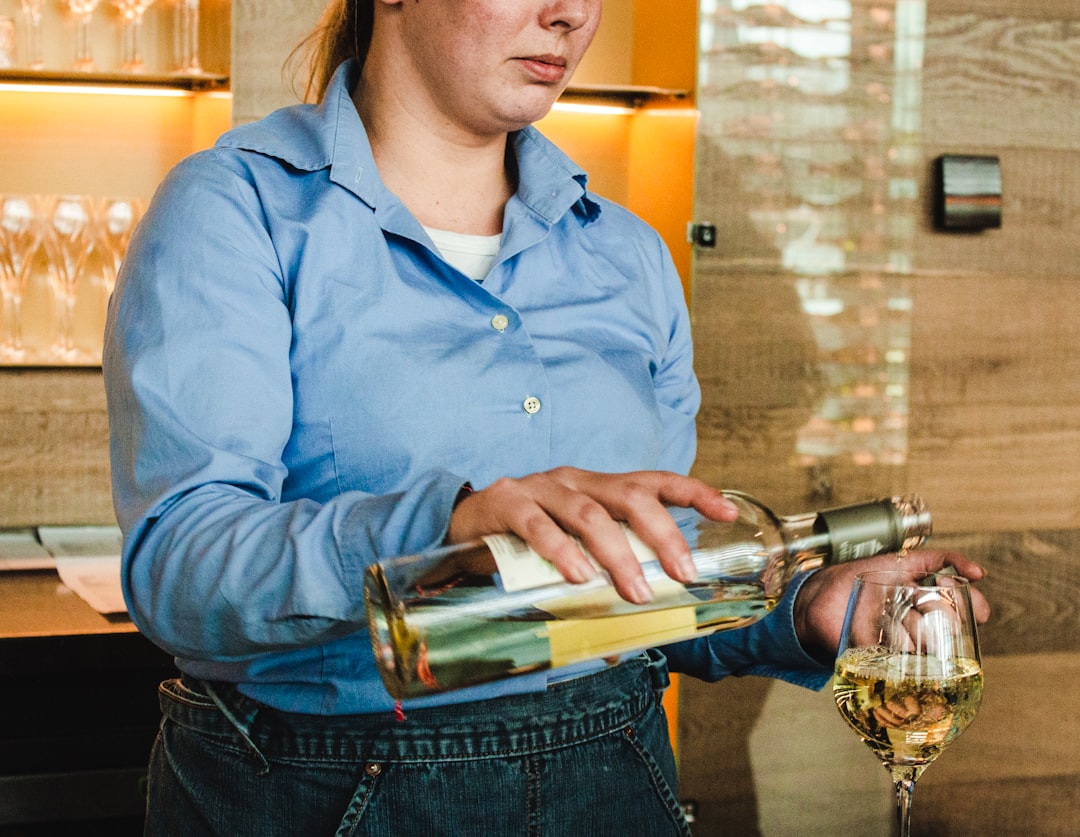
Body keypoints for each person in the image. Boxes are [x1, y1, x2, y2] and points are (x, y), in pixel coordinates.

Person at [103, 1, 990, 835]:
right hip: (317, 788)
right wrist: (450, 524)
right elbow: (179, 569)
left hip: (613, 775)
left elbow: (642, 588)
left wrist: (802, 611)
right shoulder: (236, 209)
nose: (572, 12)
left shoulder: (629, 255)